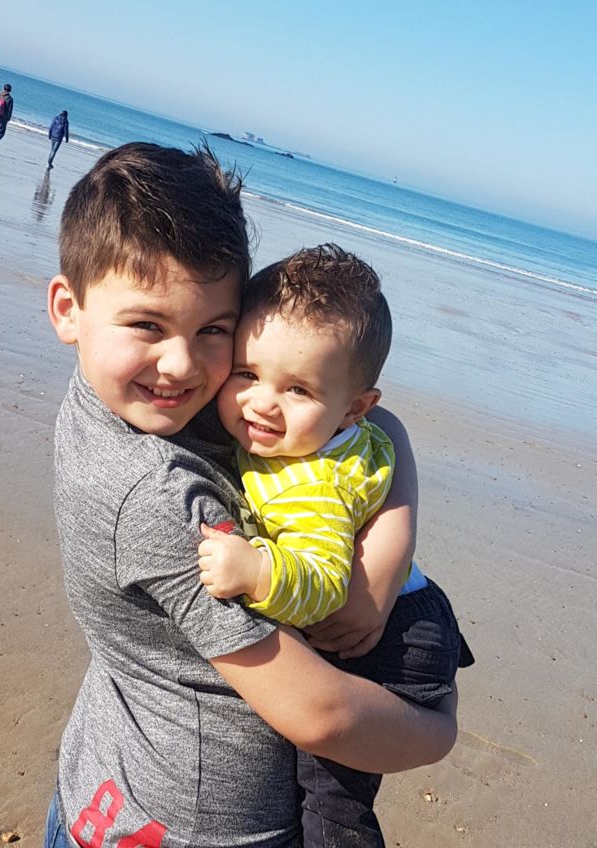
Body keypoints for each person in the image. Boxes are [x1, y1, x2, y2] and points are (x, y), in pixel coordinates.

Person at [44, 143, 457, 848]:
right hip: (195, 827)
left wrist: (384, 563)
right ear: (67, 309)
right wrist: (438, 732)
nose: (180, 364)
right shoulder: (156, 496)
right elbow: (321, 715)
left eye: (213, 331)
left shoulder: (140, 395)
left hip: (113, 770)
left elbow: (375, 425)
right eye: (147, 325)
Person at [199, 244, 474, 846]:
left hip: (393, 640)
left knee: (331, 805)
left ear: (354, 409)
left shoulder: (314, 487)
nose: (261, 402)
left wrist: (257, 572)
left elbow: (326, 590)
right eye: (247, 373)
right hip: (419, 603)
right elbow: (390, 432)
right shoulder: (327, 435)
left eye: (298, 390)